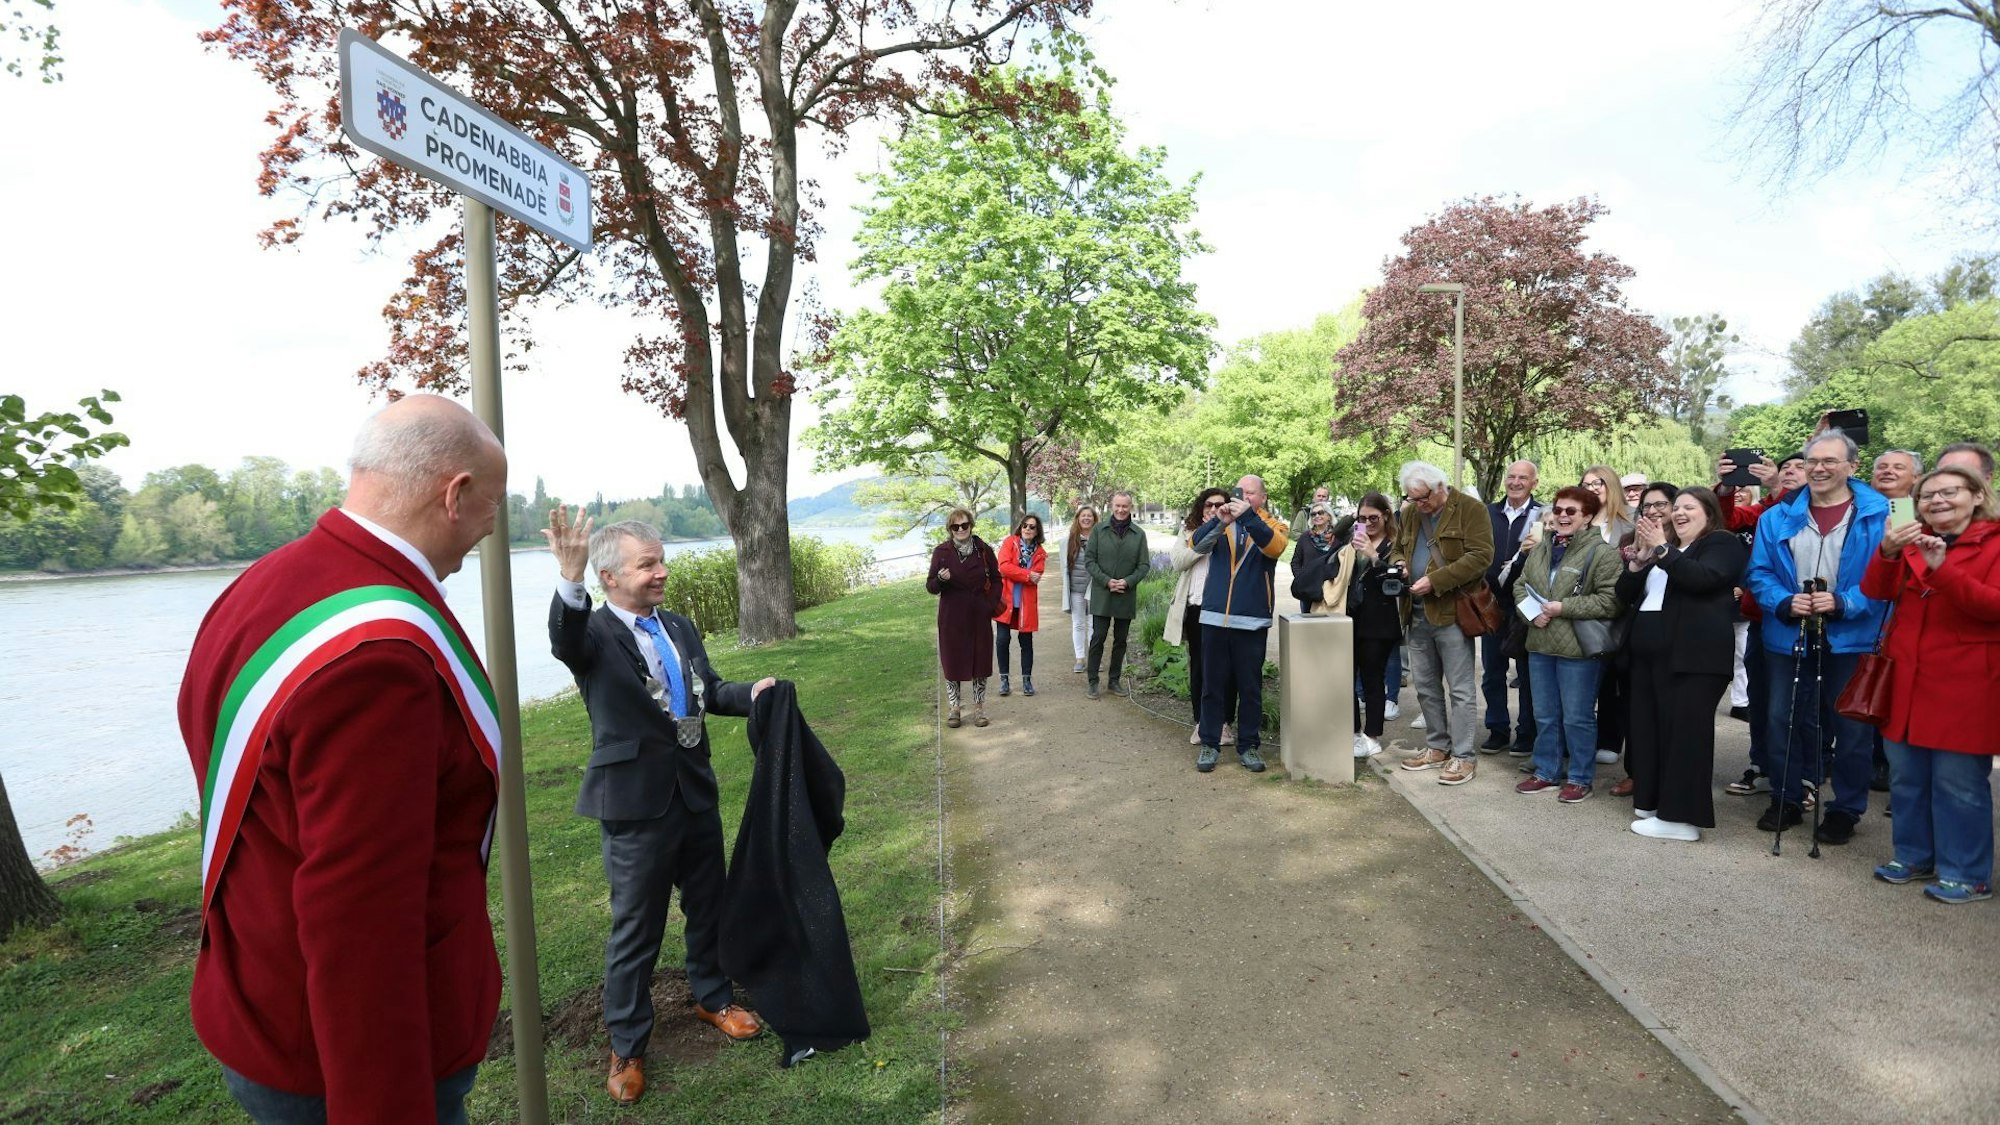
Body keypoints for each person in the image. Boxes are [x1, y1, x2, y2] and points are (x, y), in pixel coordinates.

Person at [178, 395, 507, 1122]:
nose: (489, 528)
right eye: (492, 506)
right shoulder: (378, 657)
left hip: (262, 995)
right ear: (454, 494)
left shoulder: (265, 583)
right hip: (341, 1058)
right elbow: (360, 918)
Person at [546, 511, 777, 1104]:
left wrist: (752, 694)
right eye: (647, 564)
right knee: (637, 928)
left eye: (661, 560)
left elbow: (707, 690)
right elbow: (564, 640)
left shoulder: (678, 626)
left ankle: (712, 997)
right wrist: (568, 580)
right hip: (634, 806)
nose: (662, 572)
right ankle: (627, 1046)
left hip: (694, 793)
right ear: (609, 576)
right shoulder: (593, 634)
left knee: (708, 905)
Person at [1862, 466, 2000, 902]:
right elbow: (1875, 591)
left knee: (1959, 784)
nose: (1937, 501)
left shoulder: (1995, 543)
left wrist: (1942, 570)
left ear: (1977, 496)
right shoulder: (1911, 538)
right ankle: (1913, 855)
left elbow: (1993, 606)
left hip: (1967, 682)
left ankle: (1967, 873)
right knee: (1907, 776)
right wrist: (1887, 550)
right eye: (1927, 496)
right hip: (1906, 676)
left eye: (1950, 492)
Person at [1745, 429, 1890, 844]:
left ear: (1853, 466)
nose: (1819, 468)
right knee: (1781, 718)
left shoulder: (1887, 512)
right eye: (1812, 461)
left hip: (1853, 636)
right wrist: (1783, 601)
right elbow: (1758, 572)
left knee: (1851, 728)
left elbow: (1896, 576)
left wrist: (1845, 602)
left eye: (1830, 461)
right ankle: (1786, 797)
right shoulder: (1776, 515)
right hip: (1788, 633)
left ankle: (1845, 809)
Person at [1617, 487, 1748, 840]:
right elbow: (1624, 595)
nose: (1679, 513)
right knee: (1649, 730)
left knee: (1685, 735)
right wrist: (1638, 563)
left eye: (1689, 507)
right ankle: (1653, 800)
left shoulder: (1721, 543)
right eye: (1676, 508)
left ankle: (1681, 818)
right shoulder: (1668, 550)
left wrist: (1662, 549)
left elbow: (1702, 579)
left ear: (1709, 512)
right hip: (1649, 657)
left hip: (1694, 658)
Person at [1509, 486, 1624, 803]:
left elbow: (1611, 601)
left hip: (1579, 650)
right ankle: (1546, 771)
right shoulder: (1541, 547)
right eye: (1558, 509)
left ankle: (1580, 778)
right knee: (1545, 714)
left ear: (1587, 516)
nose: (1562, 516)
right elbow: (1520, 586)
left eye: (1571, 511)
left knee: (1577, 717)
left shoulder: (1603, 553)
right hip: (1540, 643)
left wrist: (1564, 608)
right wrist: (1531, 614)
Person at [1392, 461, 1496, 786]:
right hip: (1416, 612)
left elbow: (1481, 557)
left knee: (1461, 689)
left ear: (1440, 487)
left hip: (1452, 614)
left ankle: (1463, 757)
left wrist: (1435, 581)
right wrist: (1400, 564)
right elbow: (1397, 548)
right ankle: (1437, 747)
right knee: (1425, 687)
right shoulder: (1411, 513)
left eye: (1423, 498)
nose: (1418, 504)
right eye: (1412, 498)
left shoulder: (1471, 509)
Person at [1192, 474, 1290, 772]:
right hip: (1214, 616)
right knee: (1212, 686)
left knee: (1250, 688)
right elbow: (1195, 544)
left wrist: (1248, 518)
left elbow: (1275, 548)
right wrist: (1218, 520)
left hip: (1251, 619)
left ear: (1262, 497)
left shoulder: (1274, 525)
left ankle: (1248, 746)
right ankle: (1210, 743)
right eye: (1239, 492)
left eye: (1250, 493)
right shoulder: (1223, 523)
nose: (1243, 498)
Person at [1482, 460, 1542, 755]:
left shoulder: (1543, 514)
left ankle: (1527, 732)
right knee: (1492, 672)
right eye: (1511, 476)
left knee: (1528, 674)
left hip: (1526, 605)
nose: (1516, 482)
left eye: (1523, 478)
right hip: (1491, 604)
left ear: (1534, 483)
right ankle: (1497, 729)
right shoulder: (1487, 513)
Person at [1167, 489, 1233, 744]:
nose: (1214, 509)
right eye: (1209, 505)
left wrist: (1219, 529)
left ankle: (1224, 723)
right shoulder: (1188, 531)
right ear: (1201, 507)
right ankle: (1201, 722)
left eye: (1219, 504)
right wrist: (1205, 538)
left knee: (1227, 669)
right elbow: (1178, 561)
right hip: (1196, 607)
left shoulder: (1232, 531)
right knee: (1199, 667)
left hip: (1224, 608)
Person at [926, 508, 1003, 726]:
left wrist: (989, 604)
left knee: (980, 662)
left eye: (964, 525)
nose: (960, 529)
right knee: (952, 662)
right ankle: (955, 708)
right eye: (955, 526)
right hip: (952, 617)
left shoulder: (983, 550)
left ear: (971, 525)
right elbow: (931, 586)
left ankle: (979, 708)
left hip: (979, 614)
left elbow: (997, 579)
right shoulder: (941, 552)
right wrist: (941, 580)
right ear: (950, 529)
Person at [1345, 492, 1404, 759]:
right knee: (1346, 677)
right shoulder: (1353, 540)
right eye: (1362, 518)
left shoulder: (1394, 544)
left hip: (1380, 622)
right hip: (1351, 617)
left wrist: (1373, 555)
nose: (1368, 523)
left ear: (1386, 516)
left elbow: (1394, 582)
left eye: (1373, 518)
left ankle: (1372, 735)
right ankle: (1354, 732)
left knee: (1372, 678)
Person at [1084, 491, 1151, 699]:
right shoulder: (1098, 530)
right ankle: (1093, 681)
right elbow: (1089, 561)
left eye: (1125, 506)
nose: (1121, 510)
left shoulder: (1139, 534)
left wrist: (1127, 582)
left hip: (1125, 594)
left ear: (1131, 507)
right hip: (1102, 593)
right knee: (1098, 637)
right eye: (1118, 505)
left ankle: (1114, 680)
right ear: (1112, 506)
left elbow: (1144, 565)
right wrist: (1106, 581)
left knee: (1121, 640)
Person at [993, 514, 1048, 698]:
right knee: (1002, 640)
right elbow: (1003, 567)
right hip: (1006, 600)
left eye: (1032, 527)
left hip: (1026, 603)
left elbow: (1036, 577)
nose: (1027, 529)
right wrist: (1026, 574)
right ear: (1020, 527)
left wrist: (1017, 573)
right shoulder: (1010, 542)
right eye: (1025, 525)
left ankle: (1027, 681)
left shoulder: (1040, 552)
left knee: (1026, 642)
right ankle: (1004, 681)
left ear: (1037, 531)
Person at [1062, 505, 1099, 672]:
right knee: (1078, 624)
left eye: (1089, 516)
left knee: (1093, 624)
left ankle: (1094, 658)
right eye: (1083, 515)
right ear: (1078, 518)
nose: (1086, 518)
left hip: (1095, 588)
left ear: (1094, 519)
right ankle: (1079, 658)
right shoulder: (1069, 540)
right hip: (1076, 589)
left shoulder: (1100, 538)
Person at [1289, 501, 1342, 615]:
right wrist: (1302, 579)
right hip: (1309, 591)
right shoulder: (1305, 537)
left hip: (1331, 591)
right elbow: (1295, 562)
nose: (1317, 516)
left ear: (1329, 516)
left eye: (1320, 513)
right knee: (1308, 623)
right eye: (1313, 514)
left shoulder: (1338, 537)